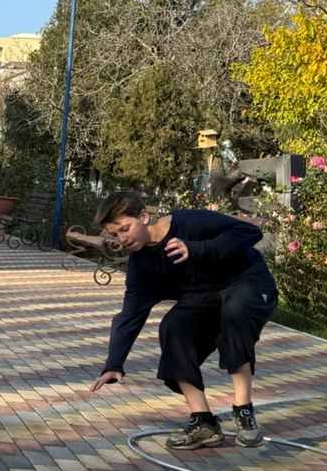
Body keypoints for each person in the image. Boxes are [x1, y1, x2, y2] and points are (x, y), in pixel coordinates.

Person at [87, 190, 276, 449]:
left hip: (247, 281)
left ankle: (243, 412)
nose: (122, 239)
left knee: (234, 315)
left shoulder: (188, 222)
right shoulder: (141, 266)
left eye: (124, 229)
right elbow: (130, 315)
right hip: (206, 295)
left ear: (143, 216)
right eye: (115, 235)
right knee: (173, 327)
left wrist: (199, 248)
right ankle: (204, 422)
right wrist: (114, 363)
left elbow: (250, 233)